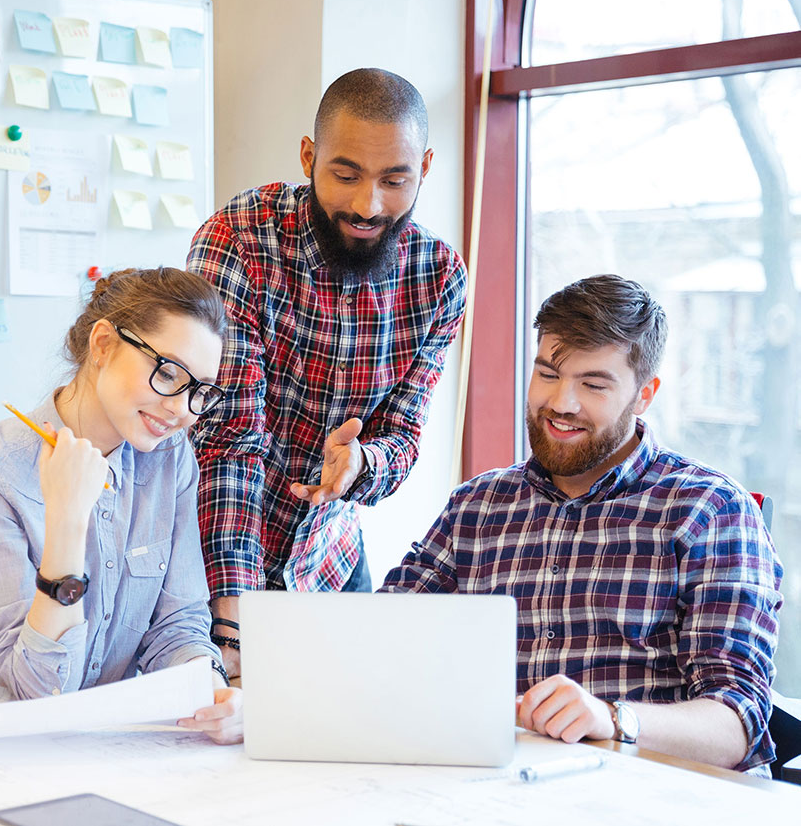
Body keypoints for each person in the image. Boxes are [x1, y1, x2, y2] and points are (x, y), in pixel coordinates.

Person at [380, 274, 782, 772]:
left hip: (647, 798)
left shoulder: (709, 510)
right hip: (494, 787)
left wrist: (610, 720)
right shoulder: (477, 506)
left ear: (644, 395)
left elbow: (737, 726)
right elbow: (379, 639)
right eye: (548, 373)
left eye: (593, 385)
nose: (561, 403)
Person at [187, 68, 467, 677]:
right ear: (310, 157)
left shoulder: (439, 277)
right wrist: (233, 618)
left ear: (425, 167)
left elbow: (404, 436)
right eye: (345, 175)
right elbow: (228, 436)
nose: (369, 205)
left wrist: (365, 464)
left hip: (329, 561)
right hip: (211, 553)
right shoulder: (240, 238)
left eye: (395, 180)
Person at [0, 267, 242, 744]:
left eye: (199, 390)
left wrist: (210, 688)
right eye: (168, 373)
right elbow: (40, 690)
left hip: (92, 747)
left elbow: (177, 622)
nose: (182, 409)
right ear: (103, 346)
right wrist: (66, 519)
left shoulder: (169, 459)